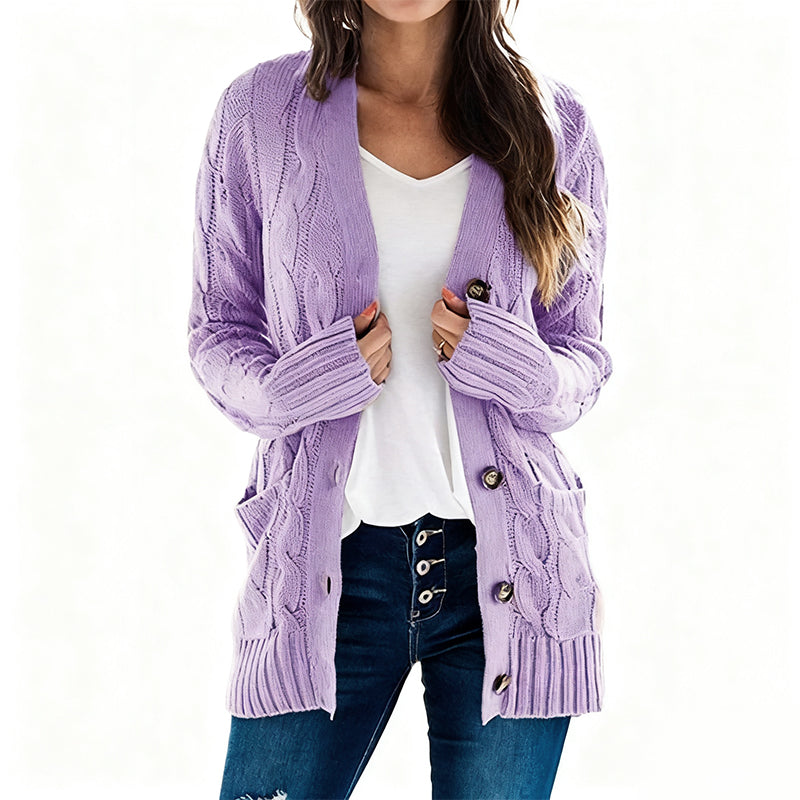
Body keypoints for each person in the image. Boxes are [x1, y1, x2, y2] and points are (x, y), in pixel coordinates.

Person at [188, 1, 613, 798]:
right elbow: (218, 332)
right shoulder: (260, 113)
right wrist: (302, 382)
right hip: (328, 567)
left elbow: (582, 356)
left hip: (511, 575)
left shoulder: (556, 125)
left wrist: (517, 366)